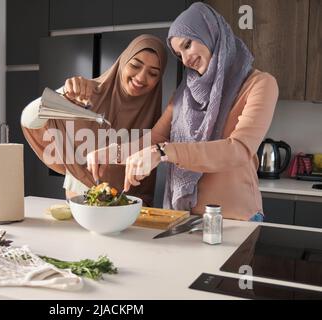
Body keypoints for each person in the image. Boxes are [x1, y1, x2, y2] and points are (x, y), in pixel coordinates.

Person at [87, 2, 279, 221]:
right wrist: (111, 153)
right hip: (181, 216)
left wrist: (164, 152)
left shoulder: (260, 84)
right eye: (179, 54)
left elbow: (238, 149)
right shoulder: (184, 93)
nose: (186, 59)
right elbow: (156, 138)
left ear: (210, 32)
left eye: (188, 44)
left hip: (233, 217)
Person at [21, 34, 167, 206]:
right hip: (79, 203)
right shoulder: (86, 94)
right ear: (123, 62)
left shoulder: (156, 118)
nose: (141, 77)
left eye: (153, 73)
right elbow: (28, 120)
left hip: (130, 209)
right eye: (135, 65)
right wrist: (61, 94)